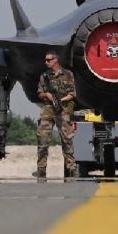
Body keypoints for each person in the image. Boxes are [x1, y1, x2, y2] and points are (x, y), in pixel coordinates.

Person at [34, 50, 78, 181]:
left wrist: (61, 100)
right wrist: (47, 95)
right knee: (42, 140)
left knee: (67, 140)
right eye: (45, 60)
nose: (46, 62)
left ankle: (71, 168)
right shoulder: (44, 76)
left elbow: (73, 93)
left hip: (62, 110)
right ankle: (41, 170)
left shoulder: (68, 74)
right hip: (48, 110)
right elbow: (39, 92)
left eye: (49, 60)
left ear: (55, 60)